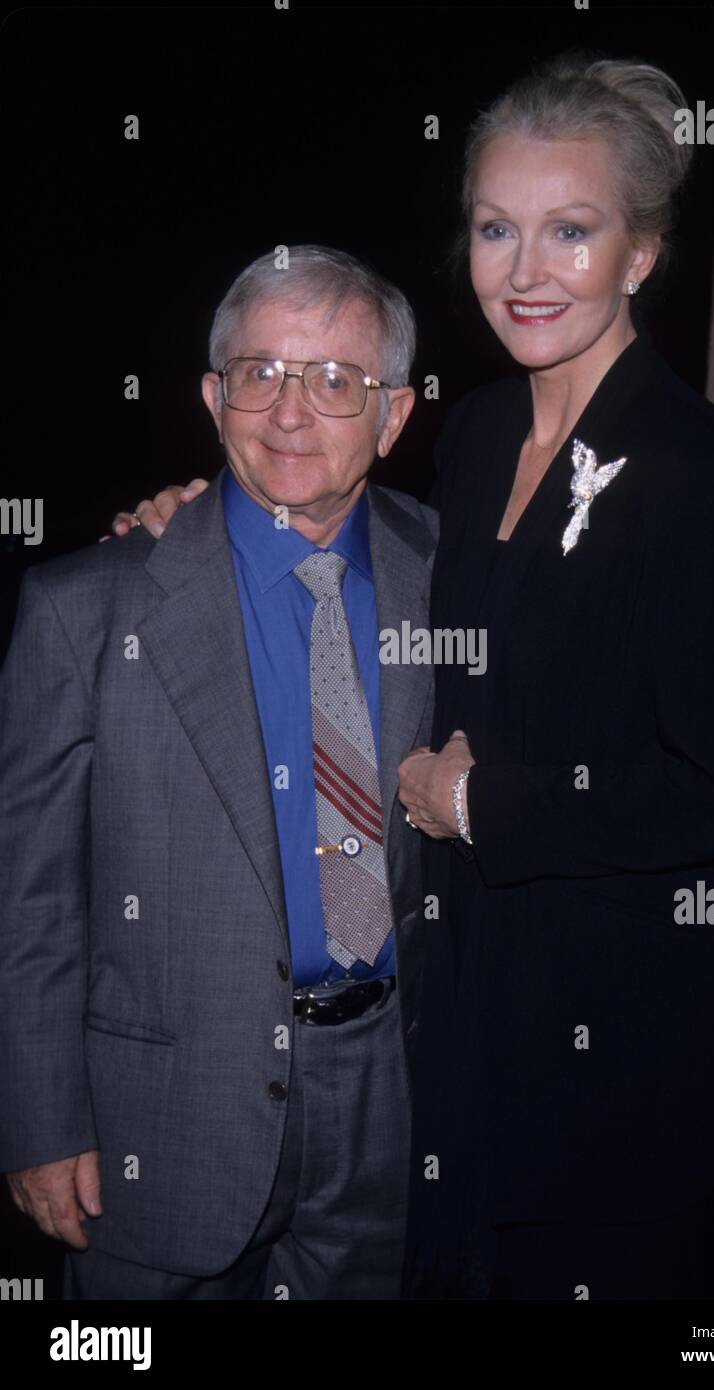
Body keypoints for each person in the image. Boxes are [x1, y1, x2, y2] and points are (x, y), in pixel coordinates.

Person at [111, 51, 714, 1301]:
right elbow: (352, 552)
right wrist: (204, 518)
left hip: (613, 1062)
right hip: (460, 1041)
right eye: (495, 229)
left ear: (639, 252)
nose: (524, 272)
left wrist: (480, 806)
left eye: (569, 232)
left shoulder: (697, 471)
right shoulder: (478, 433)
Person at [0, 245, 439, 1299]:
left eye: (336, 381)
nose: (290, 413)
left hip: (389, 1101)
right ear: (212, 395)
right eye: (260, 373)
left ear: (392, 416)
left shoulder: (451, 569)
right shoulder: (86, 609)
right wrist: (37, 1117)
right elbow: (29, 898)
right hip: (159, 1116)